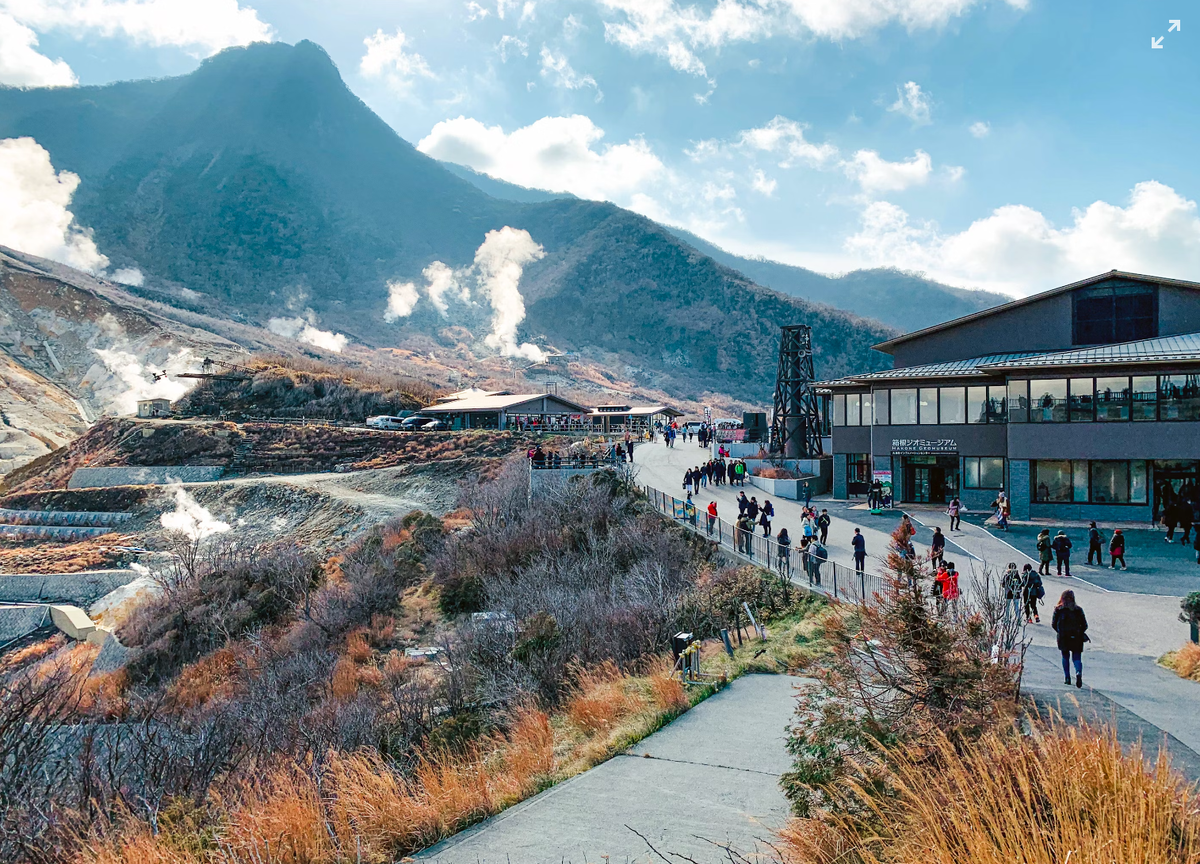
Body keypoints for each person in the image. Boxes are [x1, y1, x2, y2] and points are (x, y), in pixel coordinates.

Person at [1051, 589, 1089, 688]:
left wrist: (1060, 632)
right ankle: (1078, 672)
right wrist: (1079, 632)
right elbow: (1085, 625)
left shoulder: (1059, 610)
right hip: (1076, 636)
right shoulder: (1078, 610)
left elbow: (1054, 624)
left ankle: (1067, 677)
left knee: (1065, 656)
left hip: (1063, 636)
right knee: (1077, 658)